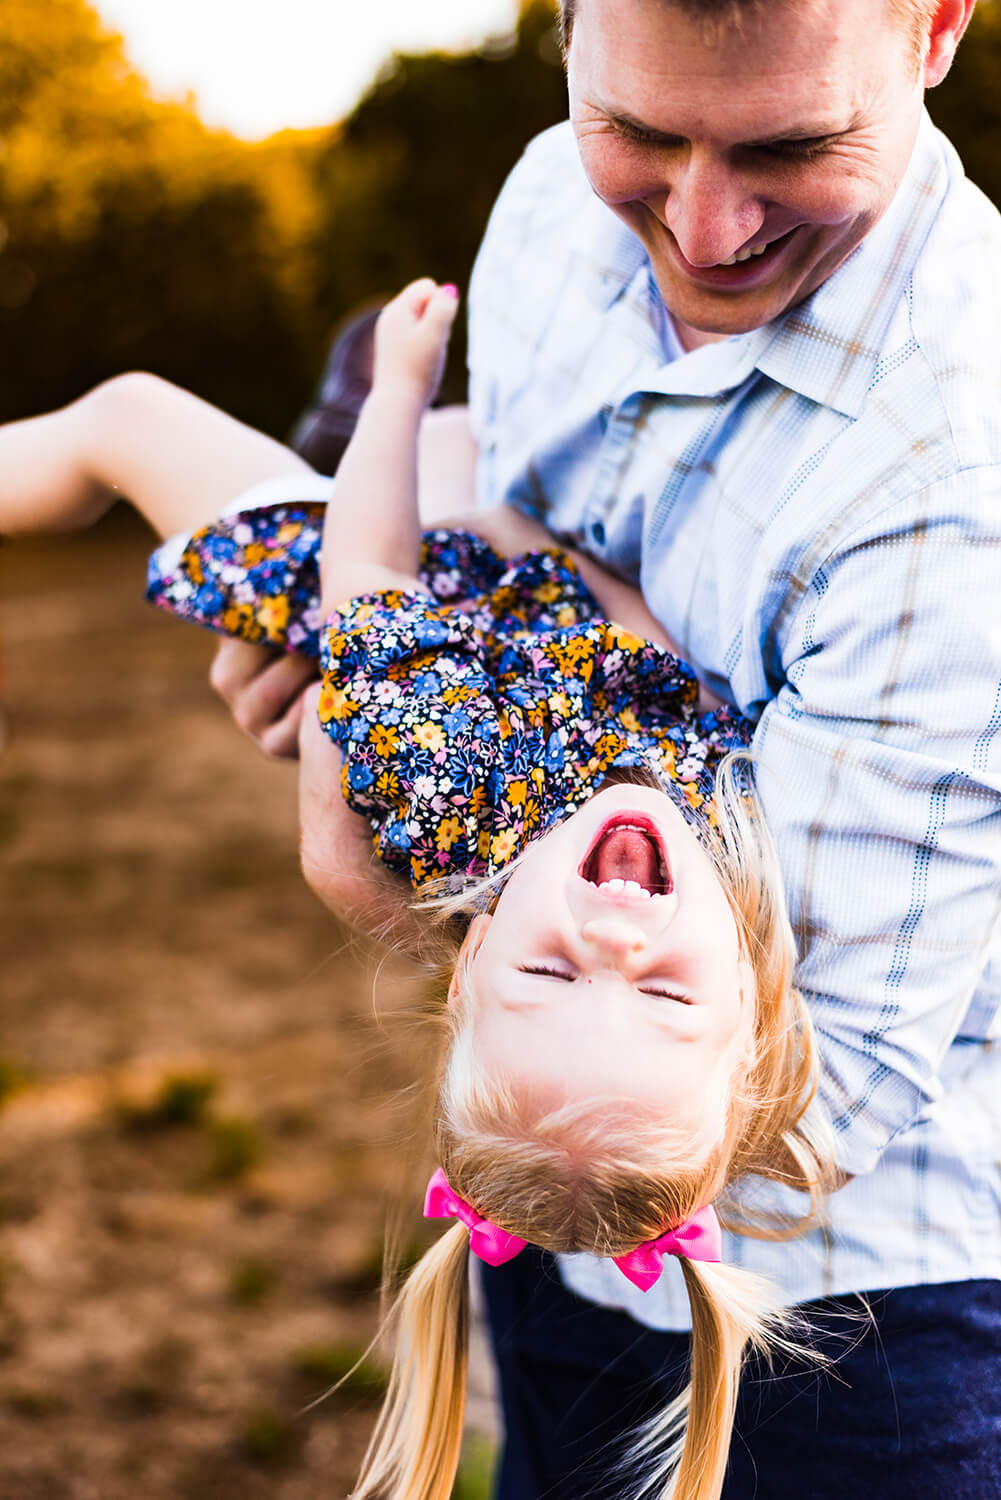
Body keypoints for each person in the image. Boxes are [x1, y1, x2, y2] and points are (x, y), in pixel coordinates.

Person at [209, 1, 1001, 1495]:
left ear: (938, 28)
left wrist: (410, 894)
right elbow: (520, 532)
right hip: (543, 1224)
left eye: (791, 146)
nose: (702, 228)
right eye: (638, 134)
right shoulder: (539, 208)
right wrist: (360, 642)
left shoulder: (959, 470)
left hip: (861, 1321)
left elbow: (836, 1082)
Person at [0, 278, 837, 1500]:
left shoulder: (452, 782)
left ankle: (318, 413)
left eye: (549, 972)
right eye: (661, 997)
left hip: (385, 575)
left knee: (128, 419)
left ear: (475, 947)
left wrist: (395, 392)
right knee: (467, 443)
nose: (610, 935)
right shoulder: (768, 828)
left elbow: (369, 563)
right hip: (512, 545)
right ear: (754, 1011)